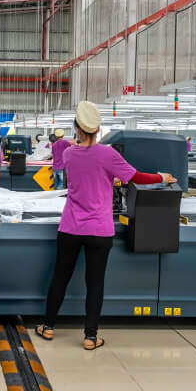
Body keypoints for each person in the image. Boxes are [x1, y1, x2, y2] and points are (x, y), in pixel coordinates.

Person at [36, 101, 175, 350]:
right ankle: (90, 337)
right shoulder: (109, 155)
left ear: (77, 127)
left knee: (60, 278)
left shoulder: (68, 154)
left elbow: (66, 149)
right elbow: (136, 177)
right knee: (95, 284)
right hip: (100, 230)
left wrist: (75, 139)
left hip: (70, 228)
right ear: (99, 129)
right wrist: (162, 177)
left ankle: (48, 327)